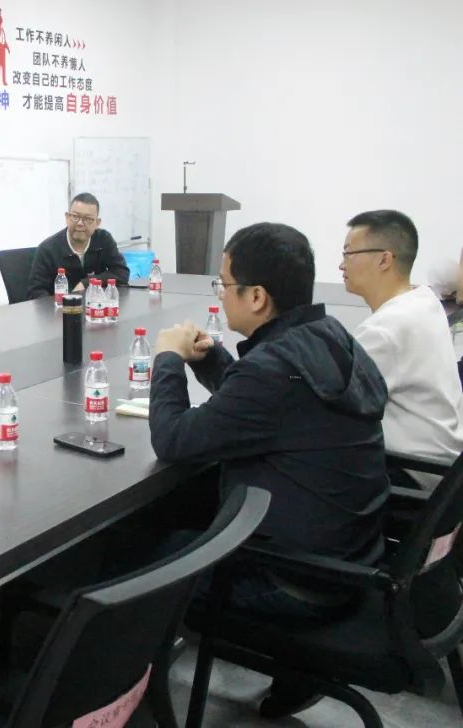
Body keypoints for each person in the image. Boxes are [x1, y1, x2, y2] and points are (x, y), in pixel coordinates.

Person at [148, 222, 389, 718]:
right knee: (186, 513)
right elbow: (268, 407)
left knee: (142, 552)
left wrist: (167, 359)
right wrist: (212, 359)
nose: (220, 293)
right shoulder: (330, 337)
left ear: (256, 297)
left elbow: (173, 440)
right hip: (353, 559)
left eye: (223, 283)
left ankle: (123, 695)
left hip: (295, 583)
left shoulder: (273, 369)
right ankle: (296, 671)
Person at [340, 210, 463, 483]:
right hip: (444, 471)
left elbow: (337, 402)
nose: (341, 265)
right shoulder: (423, 301)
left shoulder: (386, 328)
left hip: (413, 476)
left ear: (384, 259)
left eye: (348, 253)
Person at [26, 192, 129, 300]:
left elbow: (121, 273)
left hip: (95, 306)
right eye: (75, 216)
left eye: (88, 219)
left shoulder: (103, 240)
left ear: (97, 223)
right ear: (67, 217)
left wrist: (86, 282)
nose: (80, 223)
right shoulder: (48, 249)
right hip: (60, 308)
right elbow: (36, 293)